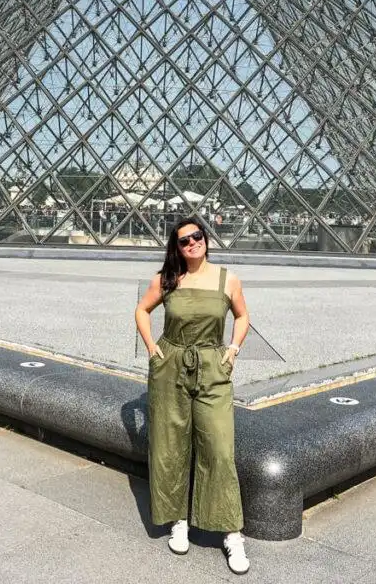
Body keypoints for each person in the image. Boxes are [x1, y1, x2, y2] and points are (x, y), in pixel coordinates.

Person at [134, 215, 251, 575]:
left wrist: (233, 349)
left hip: (212, 367)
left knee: (219, 447)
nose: (192, 243)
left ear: (206, 238)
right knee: (169, 445)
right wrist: (152, 348)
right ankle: (178, 520)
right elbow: (141, 309)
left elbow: (242, 316)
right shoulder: (167, 279)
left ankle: (231, 532)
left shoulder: (228, 279)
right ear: (177, 248)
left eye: (197, 236)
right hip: (171, 366)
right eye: (184, 241)